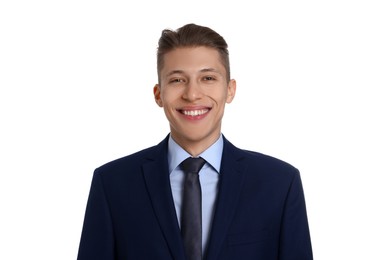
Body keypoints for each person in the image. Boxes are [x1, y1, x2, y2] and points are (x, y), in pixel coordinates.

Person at [77, 23, 313, 260]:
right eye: (178, 80)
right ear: (159, 94)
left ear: (229, 90)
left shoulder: (279, 184)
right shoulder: (112, 184)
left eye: (208, 78)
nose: (192, 94)